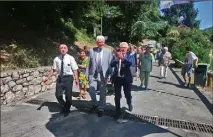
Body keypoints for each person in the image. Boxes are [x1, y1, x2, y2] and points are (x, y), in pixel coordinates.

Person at [43, 44, 79, 117]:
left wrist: (76, 79)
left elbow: (75, 69)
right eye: (61, 48)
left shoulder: (70, 58)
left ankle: (66, 109)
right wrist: (48, 77)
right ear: (59, 50)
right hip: (60, 77)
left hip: (68, 78)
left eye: (64, 48)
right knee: (58, 95)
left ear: (67, 49)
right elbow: (53, 69)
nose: (63, 49)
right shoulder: (56, 59)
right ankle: (64, 106)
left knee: (68, 96)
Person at [86, 35, 113, 117]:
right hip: (93, 74)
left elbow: (110, 64)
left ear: (104, 42)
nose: (100, 43)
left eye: (102, 42)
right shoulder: (91, 51)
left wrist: (110, 75)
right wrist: (87, 74)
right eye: (99, 42)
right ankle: (95, 104)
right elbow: (89, 64)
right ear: (96, 43)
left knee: (102, 92)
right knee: (91, 90)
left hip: (103, 74)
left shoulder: (108, 51)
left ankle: (101, 108)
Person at [111, 49, 133, 121]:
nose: (118, 56)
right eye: (117, 55)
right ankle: (117, 112)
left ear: (122, 54)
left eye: (119, 54)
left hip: (126, 80)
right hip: (117, 80)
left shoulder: (126, 60)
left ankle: (129, 103)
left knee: (127, 94)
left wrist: (123, 59)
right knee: (117, 96)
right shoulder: (115, 61)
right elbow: (111, 64)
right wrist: (117, 60)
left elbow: (129, 63)